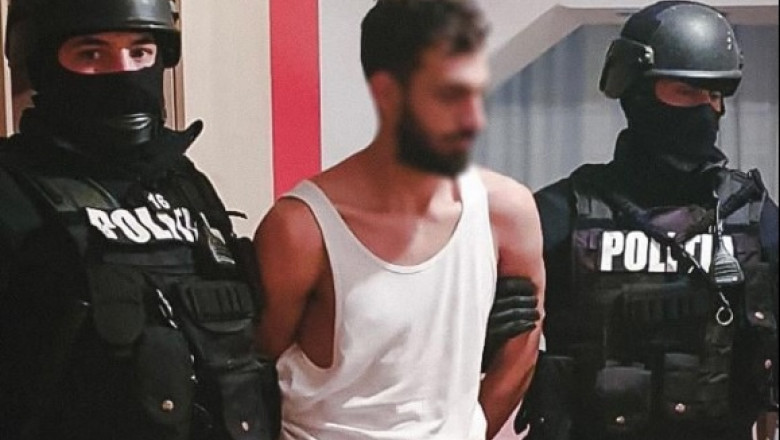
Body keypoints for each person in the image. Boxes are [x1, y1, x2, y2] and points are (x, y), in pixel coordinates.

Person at [253, 0, 545, 438]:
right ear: (388, 93)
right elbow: (250, 371)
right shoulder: (301, 228)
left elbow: (522, 347)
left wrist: (470, 429)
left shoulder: (506, 212)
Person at [0, 0, 279, 438]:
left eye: (141, 51)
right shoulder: (11, 190)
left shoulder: (185, 183)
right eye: (91, 53)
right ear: (41, 64)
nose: (124, 72)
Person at [516, 2, 779, 440]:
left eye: (715, 95)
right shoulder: (564, 212)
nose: (707, 109)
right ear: (635, 93)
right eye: (687, 91)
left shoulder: (751, 215)